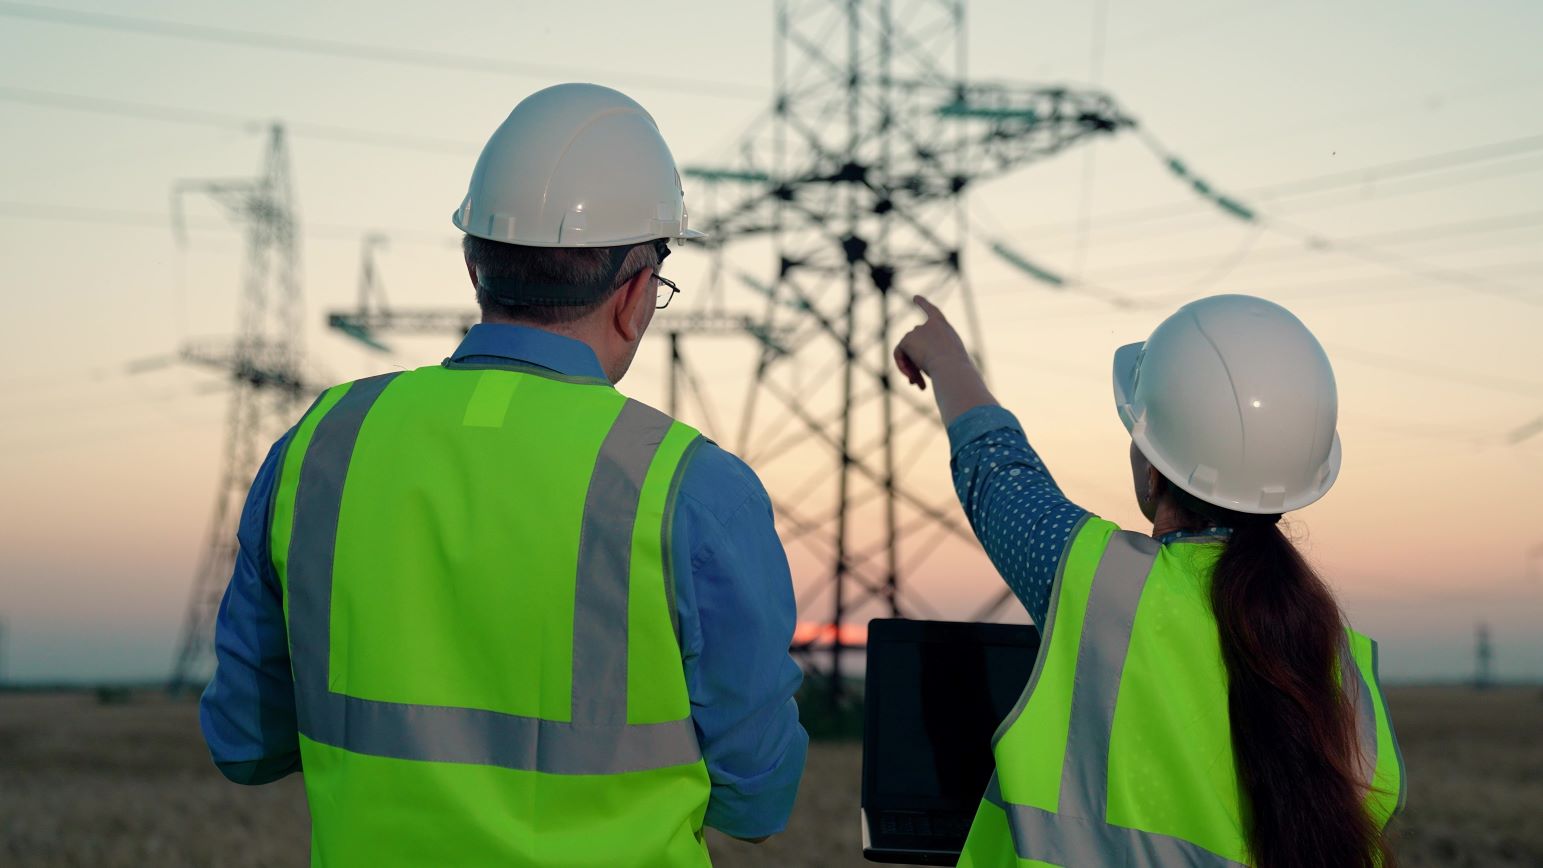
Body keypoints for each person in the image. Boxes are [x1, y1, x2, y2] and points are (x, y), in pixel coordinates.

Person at [199, 83, 808, 866]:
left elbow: (243, 743)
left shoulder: (320, 447)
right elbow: (758, 799)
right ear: (632, 297)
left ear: (472, 261)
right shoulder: (691, 489)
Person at [894, 294, 1404, 867]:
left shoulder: (1099, 581)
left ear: (1154, 467)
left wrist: (946, 360)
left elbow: (997, 473)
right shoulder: (1343, 662)